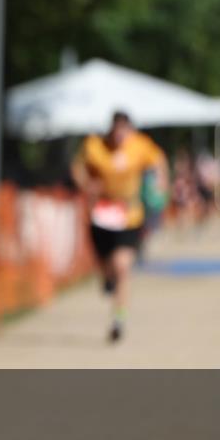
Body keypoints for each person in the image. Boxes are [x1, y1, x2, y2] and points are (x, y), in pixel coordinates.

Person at [70, 111, 168, 343]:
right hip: (101, 215)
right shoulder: (94, 146)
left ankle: (118, 319)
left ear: (130, 130)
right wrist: (87, 184)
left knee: (123, 266)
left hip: (129, 216)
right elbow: (77, 167)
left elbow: (159, 161)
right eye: (116, 132)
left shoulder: (141, 146)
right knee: (107, 267)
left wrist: (161, 181)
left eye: (124, 131)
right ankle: (107, 278)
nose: (120, 137)